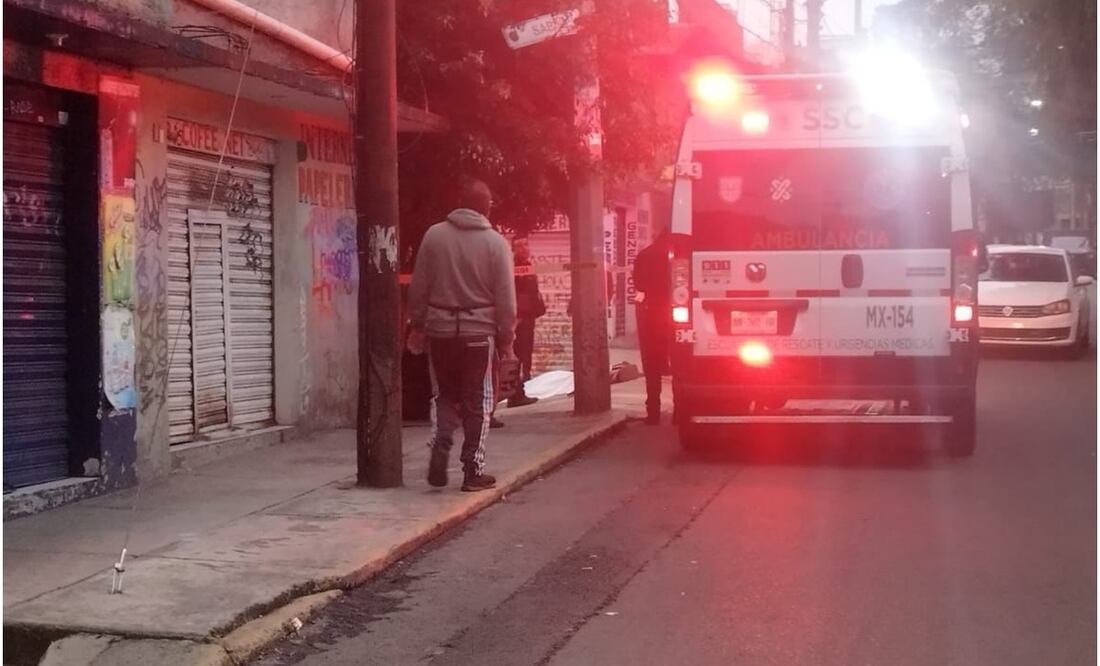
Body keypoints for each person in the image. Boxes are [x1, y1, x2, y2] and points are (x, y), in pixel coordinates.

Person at [407, 179, 517, 492]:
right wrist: (507, 339)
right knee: (477, 400)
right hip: (479, 334)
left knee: (444, 394)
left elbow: (419, 287)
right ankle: (472, 470)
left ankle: (441, 441)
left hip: (440, 331)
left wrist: (418, 326)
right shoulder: (496, 243)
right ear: (487, 207)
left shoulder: (434, 236)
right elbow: (506, 300)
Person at [633, 227, 672, 425]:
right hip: (676, 314)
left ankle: (654, 412)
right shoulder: (679, 255)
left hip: (651, 314)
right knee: (679, 366)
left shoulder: (645, 255)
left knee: (652, 365)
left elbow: (639, 284)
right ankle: (680, 412)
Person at [508, 236, 546, 408]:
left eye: (526, 244)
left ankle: (518, 391)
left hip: (528, 318)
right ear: (513, 249)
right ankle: (515, 393)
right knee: (518, 355)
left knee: (525, 355)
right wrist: (519, 316)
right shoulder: (514, 267)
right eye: (519, 245)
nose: (524, 248)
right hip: (519, 320)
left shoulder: (527, 265)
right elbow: (515, 294)